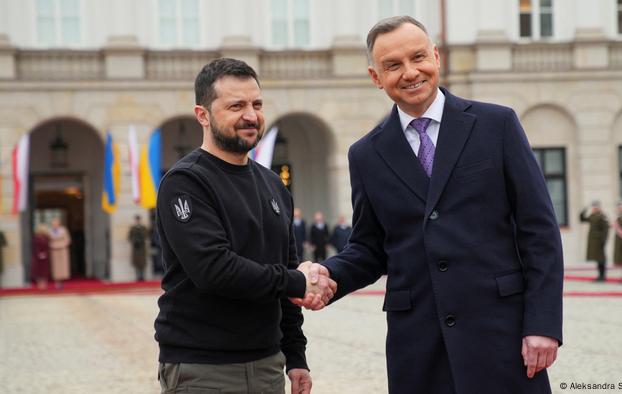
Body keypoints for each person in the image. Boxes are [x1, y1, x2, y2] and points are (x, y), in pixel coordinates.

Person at [298, 16, 563, 394]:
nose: (410, 73)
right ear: (376, 77)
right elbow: (370, 249)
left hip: (502, 336)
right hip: (418, 348)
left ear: (436, 57)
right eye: (393, 65)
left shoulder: (496, 125)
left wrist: (543, 325)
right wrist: (326, 276)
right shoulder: (366, 154)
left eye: (418, 57)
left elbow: (539, 231)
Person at [153, 58, 335, 394]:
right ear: (202, 115)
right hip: (203, 369)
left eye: (257, 104)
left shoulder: (274, 185)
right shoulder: (185, 182)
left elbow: (286, 277)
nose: (251, 115)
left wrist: (295, 356)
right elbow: (214, 270)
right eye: (236, 105)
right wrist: (298, 281)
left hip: (268, 365)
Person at [580, 201, 610, 282]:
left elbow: (606, 230)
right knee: (597, 259)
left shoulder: (602, 216)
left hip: (599, 241)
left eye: (595, 207)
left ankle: (603, 276)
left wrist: (603, 241)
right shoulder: (592, 216)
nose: (594, 209)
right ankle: (599, 275)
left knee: (601, 259)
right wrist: (584, 211)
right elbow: (582, 219)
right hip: (594, 241)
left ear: (598, 208)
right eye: (593, 207)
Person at [49, 217, 71, 289]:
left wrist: (62, 245)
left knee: (62, 266)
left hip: (62, 250)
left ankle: (62, 281)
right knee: (55, 267)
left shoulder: (63, 230)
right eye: (53, 223)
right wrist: (52, 245)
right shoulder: (49, 231)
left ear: (59, 223)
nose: (54, 224)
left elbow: (68, 240)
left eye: (56, 223)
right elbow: (48, 241)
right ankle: (57, 282)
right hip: (54, 250)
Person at [30, 224, 51, 290]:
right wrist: (39, 254)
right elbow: (35, 247)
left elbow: (47, 246)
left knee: (44, 271)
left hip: (45, 257)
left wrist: (46, 253)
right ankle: (40, 285)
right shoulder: (36, 238)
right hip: (38, 258)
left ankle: (44, 284)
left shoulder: (46, 237)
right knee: (39, 271)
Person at [128, 215, 149, 281]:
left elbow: (146, 236)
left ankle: (142, 276)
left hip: (142, 247)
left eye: (138, 219)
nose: (137, 221)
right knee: (136, 263)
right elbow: (129, 237)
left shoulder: (143, 228)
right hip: (135, 248)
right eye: (136, 219)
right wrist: (134, 240)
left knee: (142, 263)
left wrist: (141, 239)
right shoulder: (132, 228)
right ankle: (138, 276)